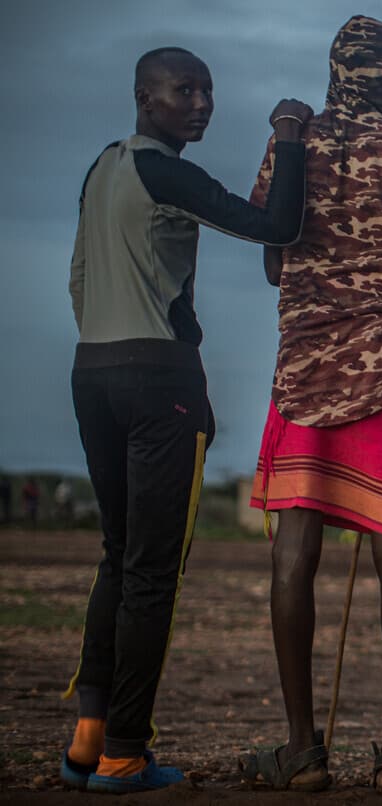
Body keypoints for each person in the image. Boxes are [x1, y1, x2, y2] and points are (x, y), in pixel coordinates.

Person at [62, 46, 309, 794]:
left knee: (118, 554)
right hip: (158, 378)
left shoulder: (101, 166)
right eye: (184, 90)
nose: (201, 104)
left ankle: (88, 739)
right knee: (151, 571)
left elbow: (78, 276)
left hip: (92, 369)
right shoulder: (166, 171)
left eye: (207, 91)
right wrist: (289, 139)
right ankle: (124, 752)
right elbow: (279, 225)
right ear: (145, 96)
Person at [243, 16, 382, 795]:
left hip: (302, 373)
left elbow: (275, 266)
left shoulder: (289, 147)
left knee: (294, 553)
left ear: (335, 75)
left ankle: (302, 750)